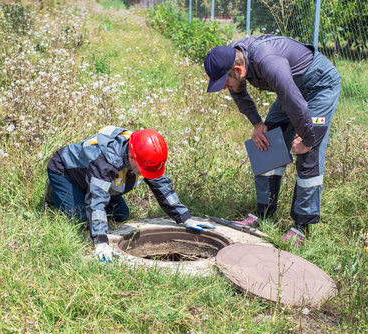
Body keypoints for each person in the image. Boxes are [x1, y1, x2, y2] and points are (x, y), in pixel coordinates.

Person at [204, 34, 341, 246]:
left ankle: (301, 228)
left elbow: (297, 105)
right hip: (290, 89)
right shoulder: (231, 57)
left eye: (225, 83)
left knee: (307, 152)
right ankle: (263, 215)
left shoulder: (269, 63)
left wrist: (306, 138)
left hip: (319, 86)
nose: (224, 88)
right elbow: (238, 90)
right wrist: (257, 123)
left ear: (239, 71)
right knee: (267, 141)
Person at [45, 126, 215, 261]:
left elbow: (162, 186)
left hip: (93, 178)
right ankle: (55, 193)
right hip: (66, 172)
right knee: (81, 219)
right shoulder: (107, 160)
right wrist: (100, 242)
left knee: (121, 214)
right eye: (142, 170)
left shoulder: (145, 152)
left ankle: (81, 195)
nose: (144, 174)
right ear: (132, 157)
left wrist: (185, 217)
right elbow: (97, 199)